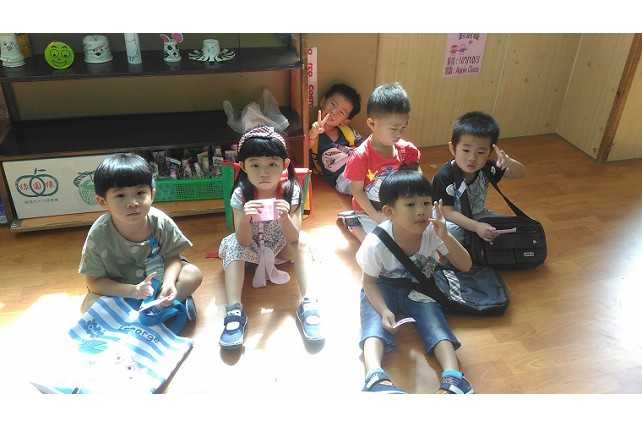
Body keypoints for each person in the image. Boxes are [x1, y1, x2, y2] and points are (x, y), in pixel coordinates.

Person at [355, 170, 474, 394]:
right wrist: (383, 310)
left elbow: (465, 265)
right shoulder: (375, 243)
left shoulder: (434, 232)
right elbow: (368, 283)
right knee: (374, 322)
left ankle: (455, 377)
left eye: (426, 203)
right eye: (410, 204)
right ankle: (374, 377)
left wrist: (446, 235)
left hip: (420, 284)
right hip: (382, 285)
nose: (421, 211)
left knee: (434, 322)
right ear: (389, 212)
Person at [218, 125, 323, 349]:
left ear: (285, 165)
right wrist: (245, 220)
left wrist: (285, 217)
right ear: (243, 166)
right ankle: (234, 310)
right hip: (251, 246)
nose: (263, 173)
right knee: (234, 246)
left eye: (272, 164)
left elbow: (293, 237)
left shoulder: (291, 190)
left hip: (279, 245)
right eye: (255, 165)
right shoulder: (241, 194)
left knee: (302, 242)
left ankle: (309, 303)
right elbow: (243, 241)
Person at [78, 153, 203, 320]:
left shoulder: (160, 222)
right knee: (89, 305)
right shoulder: (98, 235)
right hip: (119, 289)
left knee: (193, 274)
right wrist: (132, 291)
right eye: (120, 195)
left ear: (152, 195)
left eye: (140, 192)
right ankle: (162, 311)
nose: (133, 203)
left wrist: (169, 282)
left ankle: (160, 306)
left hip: (157, 284)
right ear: (103, 202)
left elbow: (172, 257)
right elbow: (94, 282)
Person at [431, 111, 527, 245]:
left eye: (481, 152)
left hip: (478, 215)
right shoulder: (444, 176)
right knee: (451, 232)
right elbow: (448, 213)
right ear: (453, 148)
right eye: (466, 150)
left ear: (489, 153)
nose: (472, 158)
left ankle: (475, 242)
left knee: (506, 225)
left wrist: (509, 162)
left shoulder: (487, 168)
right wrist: (476, 227)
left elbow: (521, 174)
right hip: (451, 220)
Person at [342, 82, 421, 242]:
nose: (399, 134)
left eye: (403, 128)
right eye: (393, 128)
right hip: (369, 210)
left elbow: (416, 178)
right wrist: (377, 217)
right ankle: (354, 224)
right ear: (372, 124)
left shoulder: (406, 150)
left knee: (417, 236)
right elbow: (357, 192)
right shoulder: (361, 156)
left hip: (396, 207)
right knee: (376, 244)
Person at [308, 83, 362, 194]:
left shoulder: (348, 132)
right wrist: (313, 134)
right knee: (358, 188)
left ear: (345, 121)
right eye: (332, 104)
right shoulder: (313, 133)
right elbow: (305, 148)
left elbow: (365, 147)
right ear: (323, 101)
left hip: (359, 168)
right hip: (342, 178)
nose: (333, 111)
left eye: (341, 112)